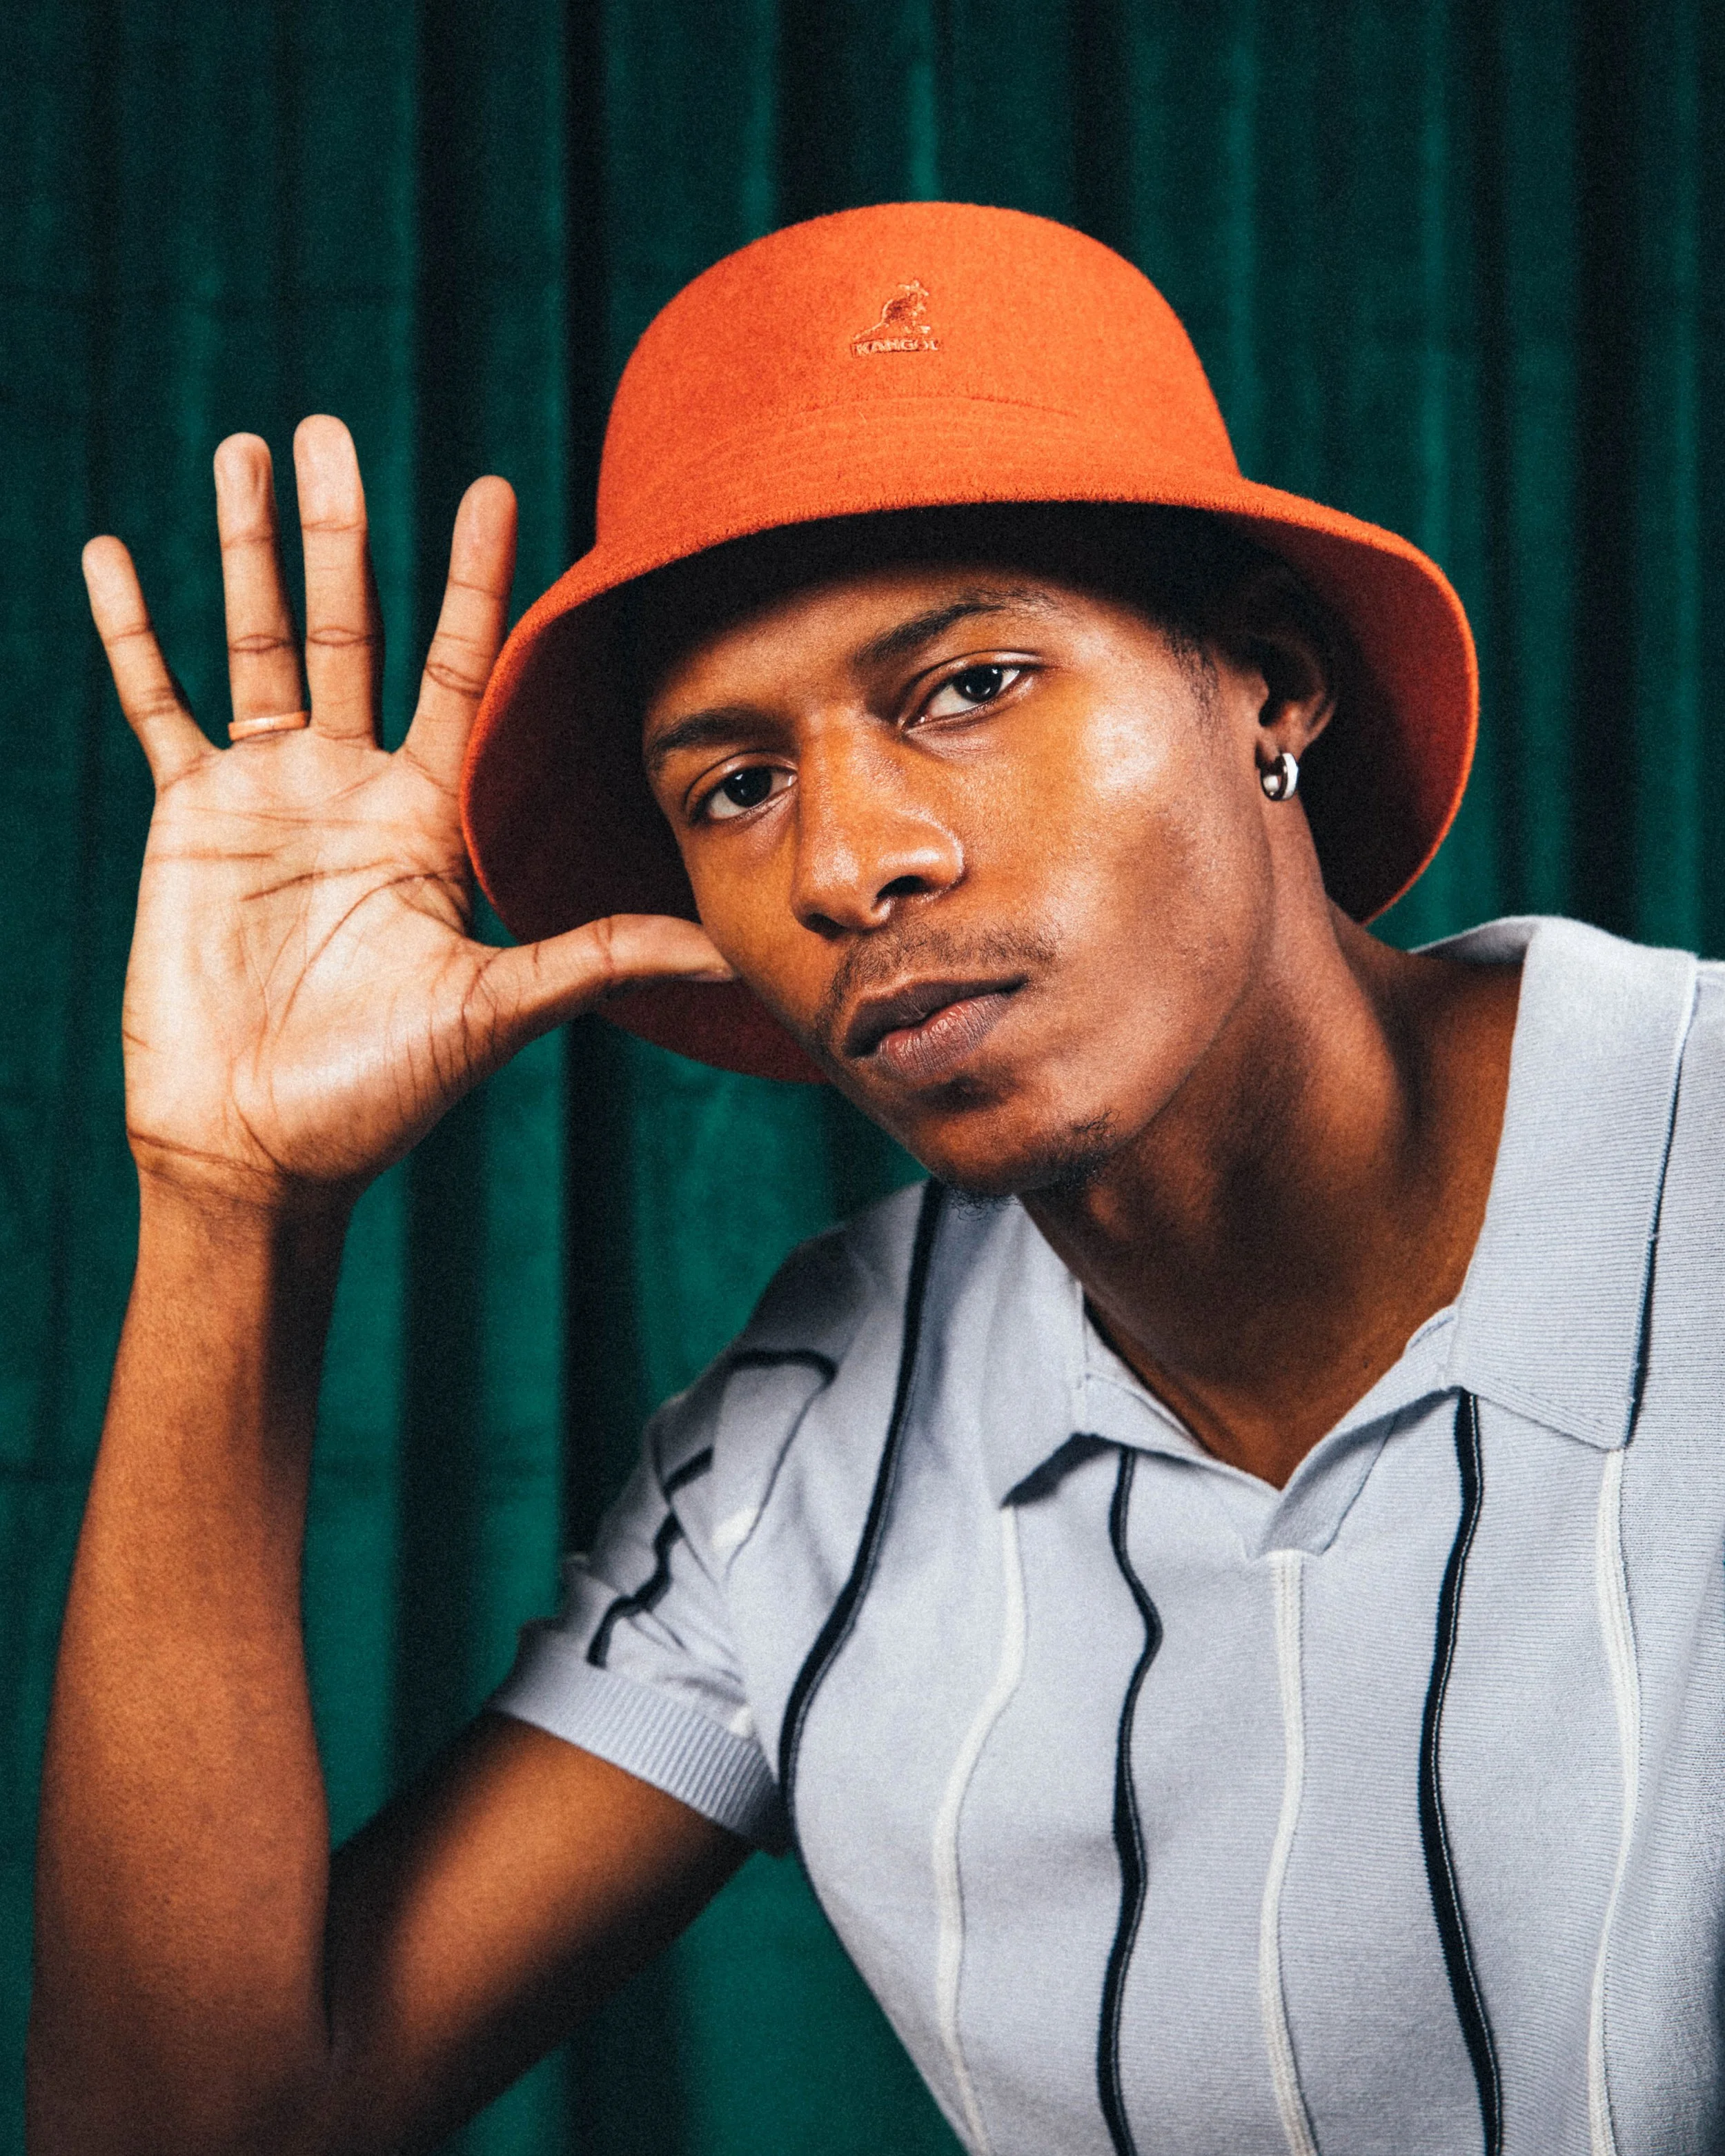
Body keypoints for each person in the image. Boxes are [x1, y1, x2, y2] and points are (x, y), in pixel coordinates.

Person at [26, 203, 1725, 2156]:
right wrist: (232, 1202)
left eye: (968, 686)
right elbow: (190, 2127)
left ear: (1265, 685)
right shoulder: (804, 1455)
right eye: (735, 784)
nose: (851, 861)